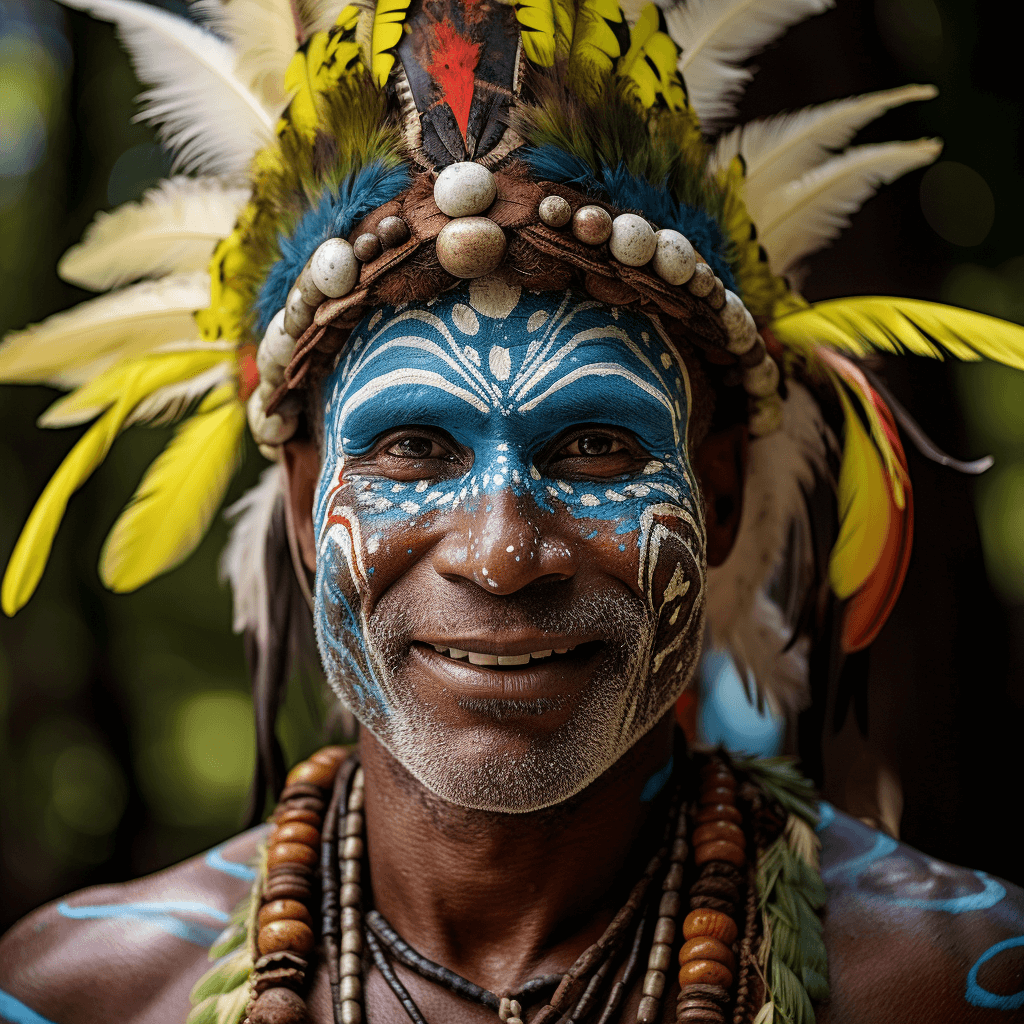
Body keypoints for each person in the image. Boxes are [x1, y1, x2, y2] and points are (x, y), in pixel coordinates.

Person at [1, 0, 1023, 1022]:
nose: (501, 554)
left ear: (718, 492)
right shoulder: (80, 994)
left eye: (594, 447)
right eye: (412, 448)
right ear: (310, 504)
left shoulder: (961, 977)